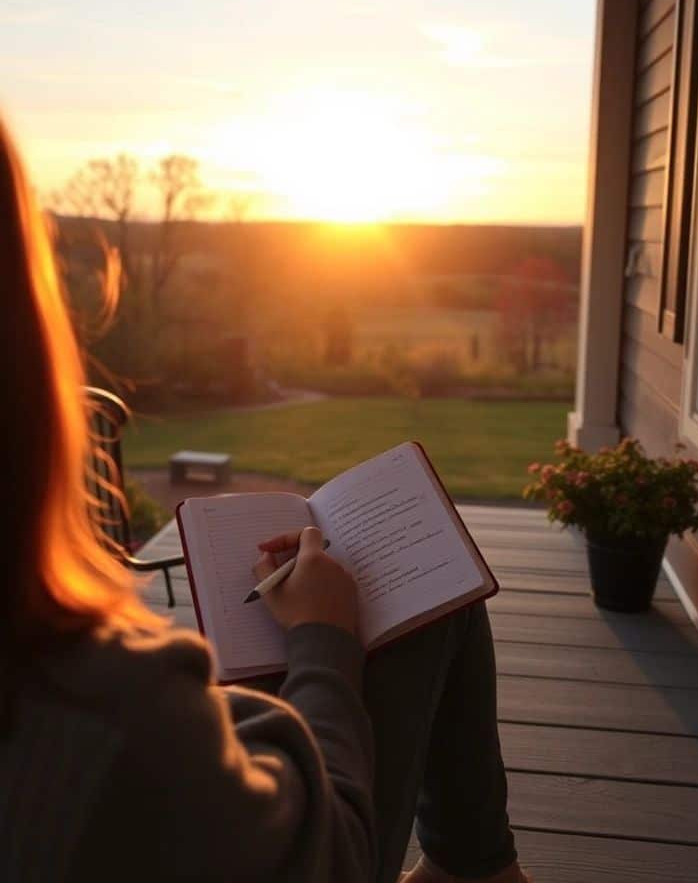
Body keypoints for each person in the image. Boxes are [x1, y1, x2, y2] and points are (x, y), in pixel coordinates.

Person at [0, 118, 531, 883]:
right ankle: (473, 865)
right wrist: (321, 636)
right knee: (428, 582)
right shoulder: (110, 714)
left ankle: (473, 865)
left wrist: (223, 700)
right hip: (293, 834)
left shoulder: (119, 705)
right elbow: (335, 856)